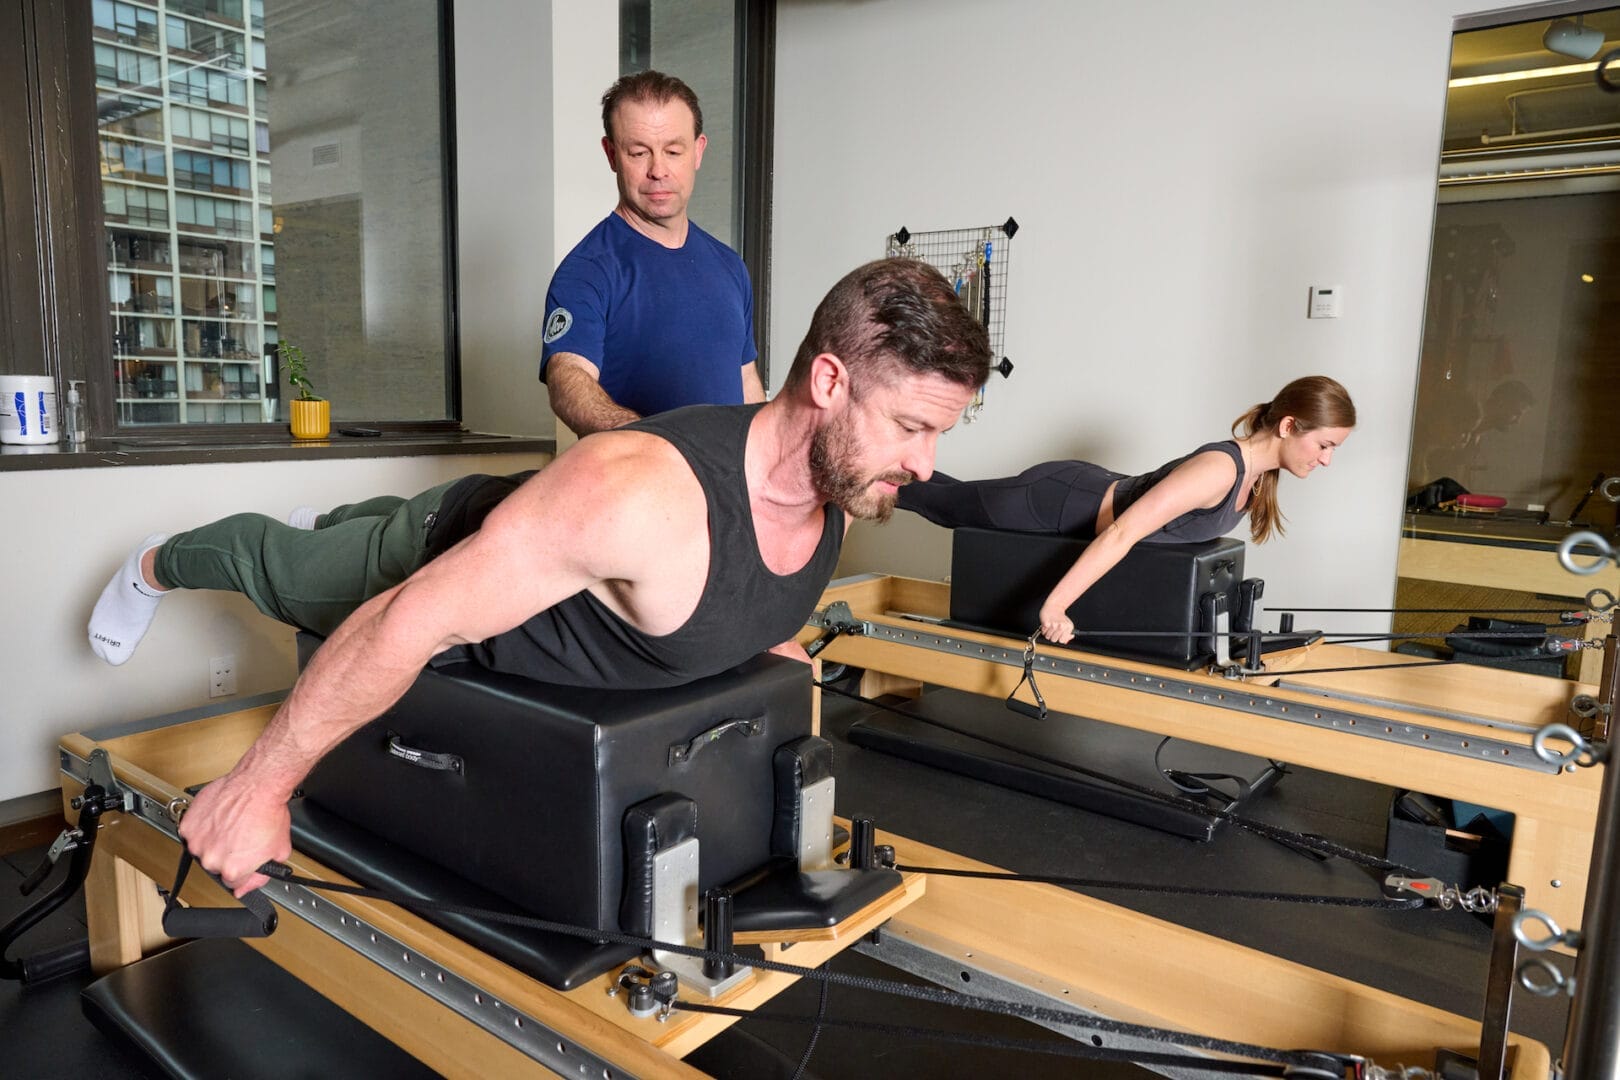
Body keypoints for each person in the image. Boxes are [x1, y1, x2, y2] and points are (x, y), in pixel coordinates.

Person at [87, 257, 990, 894]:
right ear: (829, 383)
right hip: (437, 551)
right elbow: (408, 624)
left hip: (526, 529)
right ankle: (156, 564)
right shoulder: (639, 496)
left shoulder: (836, 488)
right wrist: (257, 788)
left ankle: (321, 530)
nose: (926, 461)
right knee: (280, 570)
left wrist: (765, 635)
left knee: (338, 538)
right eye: (912, 427)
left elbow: (745, 579)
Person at [897, 375, 1356, 644]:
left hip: (1077, 493)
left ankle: (883, 468)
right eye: (1324, 444)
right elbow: (1122, 533)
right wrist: (1055, 605)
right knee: (941, 504)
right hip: (1056, 500)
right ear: (1289, 425)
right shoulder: (1220, 469)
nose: (1326, 459)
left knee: (946, 494)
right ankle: (857, 472)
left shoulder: (1257, 480)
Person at [540, 70, 764, 436]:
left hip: (728, 489)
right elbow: (568, 379)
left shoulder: (730, 266)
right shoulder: (587, 271)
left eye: (673, 151)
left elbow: (746, 381)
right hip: (639, 485)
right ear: (612, 154)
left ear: (698, 151)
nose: (658, 170)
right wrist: (658, 443)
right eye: (639, 152)